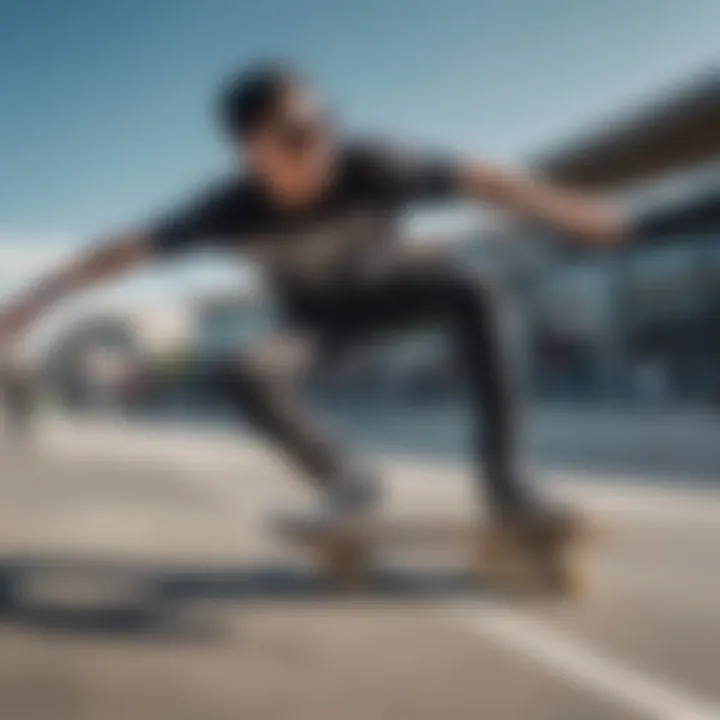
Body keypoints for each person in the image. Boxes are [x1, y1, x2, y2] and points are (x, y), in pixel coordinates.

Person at [0, 63, 624, 531]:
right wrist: (32, 304)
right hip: (318, 323)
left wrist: (566, 209)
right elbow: (121, 251)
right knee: (246, 370)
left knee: (476, 290)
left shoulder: (374, 164)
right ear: (252, 151)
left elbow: (481, 177)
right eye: (298, 134)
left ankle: (506, 484)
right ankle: (348, 480)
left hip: (394, 291)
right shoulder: (230, 209)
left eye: (325, 124)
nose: (319, 144)